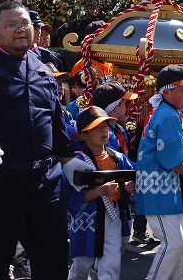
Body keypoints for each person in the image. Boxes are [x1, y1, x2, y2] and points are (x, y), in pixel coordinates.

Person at [0, 1, 89, 280]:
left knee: (53, 258)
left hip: (43, 182)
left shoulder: (40, 66)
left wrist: (67, 157)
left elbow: (53, 114)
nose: (21, 30)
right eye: (11, 25)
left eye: (25, 24)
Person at [135, 64, 183, 280]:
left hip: (164, 188)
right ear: (167, 90)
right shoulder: (169, 115)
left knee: (179, 245)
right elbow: (172, 161)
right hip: (159, 189)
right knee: (174, 244)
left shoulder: (167, 112)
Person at [63, 105, 135, 280]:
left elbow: (130, 177)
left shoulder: (118, 157)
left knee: (112, 263)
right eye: (96, 128)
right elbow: (71, 197)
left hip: (113, 217)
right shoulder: (78, 162)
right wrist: (100, 191)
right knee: (82, 265)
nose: (104, 130)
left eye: (105, 126)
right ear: (84, 135)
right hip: (87, 221)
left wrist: (128, 187)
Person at [92, 81, 138, 154]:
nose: (126, 106)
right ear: (116, 107)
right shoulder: (106, 136)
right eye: (124, 102)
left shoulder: (119, 128)